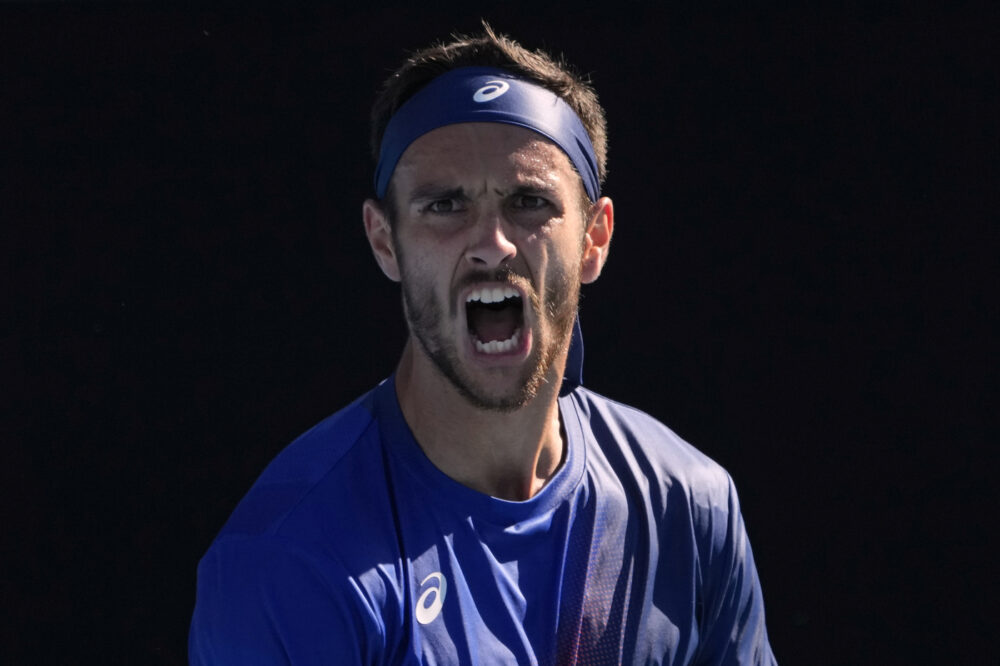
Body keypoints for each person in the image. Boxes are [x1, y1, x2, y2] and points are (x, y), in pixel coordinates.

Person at [189, 25, 777, 665]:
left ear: (594, 239)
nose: (492, 244)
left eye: (528, 202)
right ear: (385, 241)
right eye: (445, 205)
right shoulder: (289, 559)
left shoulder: (687, 505)